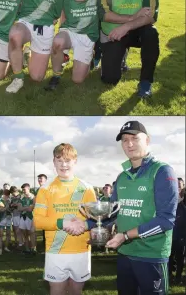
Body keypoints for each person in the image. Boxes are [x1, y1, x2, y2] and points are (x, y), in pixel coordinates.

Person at [104, 120, 179, 295]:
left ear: (147, 140)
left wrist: (125, 235)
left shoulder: (162, 171)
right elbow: (112, 213)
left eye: (134, 138)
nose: (129, 144)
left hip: (151, 256)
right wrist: (86, 224)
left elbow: (166, 220)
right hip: (124, 254)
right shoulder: (122, 176)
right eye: (124, 140)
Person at [33, 143, 97, 295]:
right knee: (57, 291)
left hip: (81, 249)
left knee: (76, 291)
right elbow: (37, 221)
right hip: (56, 251)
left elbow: (95, 219)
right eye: (59, 160)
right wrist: (64, 223)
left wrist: (87, 226)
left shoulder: (87, 188)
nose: (63, 164)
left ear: (75, 161)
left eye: (67, 160)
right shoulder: (45, 189)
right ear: (53, 162)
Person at [98, 0, 159, 98]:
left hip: (137, 30)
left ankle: (145, 82)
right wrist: (134, 16)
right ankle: (116, 56)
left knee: (151, 33)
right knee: (109, 80)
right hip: (113, 32)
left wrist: (126, 26)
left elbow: (150, 16)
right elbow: (104, 15)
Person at [45, 0, 101, 90]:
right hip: (69, 31)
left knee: (77, 79)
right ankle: (56, 75)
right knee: (58, 41)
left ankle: (89, 57)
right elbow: (59, 10)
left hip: (87, 36)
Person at [169, 189, 185, 285]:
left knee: (180, 259)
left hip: (183, 238)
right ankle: (170, 275)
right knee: (170, 257)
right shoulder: (177, 206)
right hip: (174, 236)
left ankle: (178, 277)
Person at [18, 183, 37, 254]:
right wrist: (26, 207)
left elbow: (31, 209)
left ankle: (33, 248)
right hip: (23, 217)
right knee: (25, 233)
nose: (23, 191)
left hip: (30, 217)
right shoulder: (21, 197)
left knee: (32, 233)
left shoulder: (33, 197)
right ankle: (27, 248)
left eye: (24, 189)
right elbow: (19, 209)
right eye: (22, 189)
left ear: (28, 188)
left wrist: (24, 208)